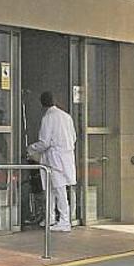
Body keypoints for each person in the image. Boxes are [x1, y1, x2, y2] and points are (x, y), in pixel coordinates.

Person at [28, 92, 78, 232]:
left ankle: (63, 221)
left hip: (54, 159)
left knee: (57, 189)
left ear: (42, 104)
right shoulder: (66, 116)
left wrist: (31, 149)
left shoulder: (48, 118)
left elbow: (44, 142)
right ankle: (51, 218)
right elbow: (73, 137)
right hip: (65, 157)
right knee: (56, 189)